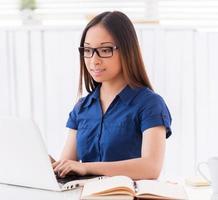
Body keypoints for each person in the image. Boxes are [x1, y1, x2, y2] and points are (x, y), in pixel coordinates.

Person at [52, 11, 172, 180]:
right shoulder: (82, 107)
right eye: (88, 50)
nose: (94, 60)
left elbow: (151, 167)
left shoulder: (150, 104)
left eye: (105, 49)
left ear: (127, 51)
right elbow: (67, 164)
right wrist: (51, 165)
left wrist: (86, 168)